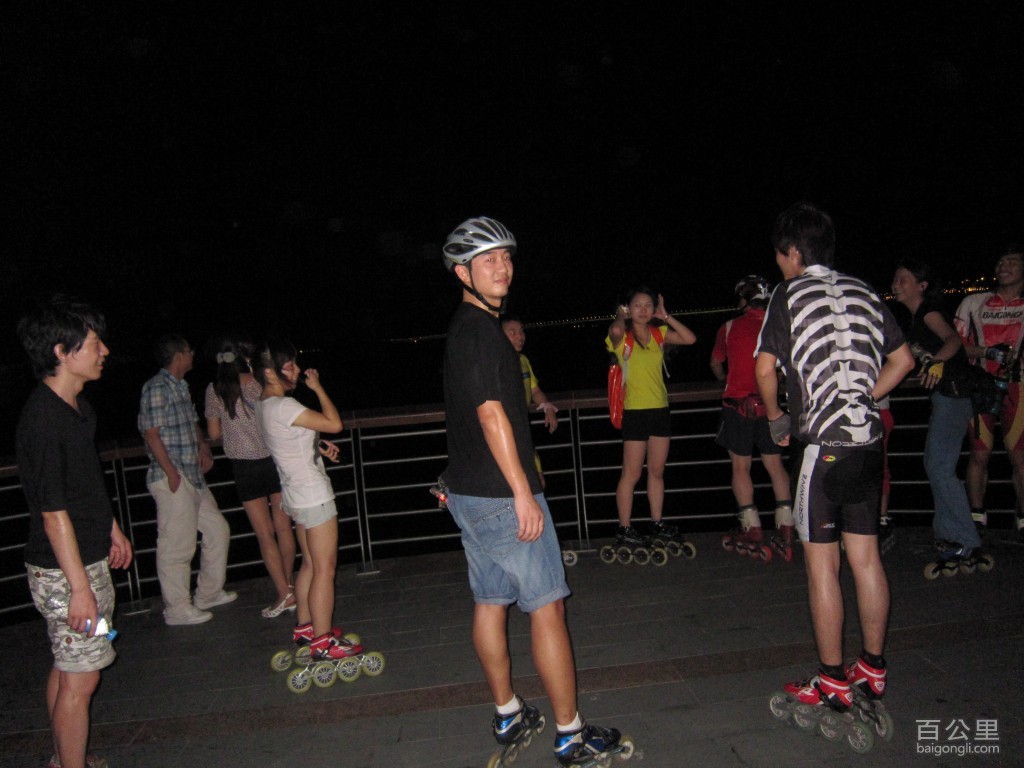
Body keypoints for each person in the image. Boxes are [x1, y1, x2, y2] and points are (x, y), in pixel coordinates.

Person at [440, 216, 626, 766]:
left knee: (490, 600)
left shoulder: (466, 329)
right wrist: (522, 491)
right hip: (503, 497)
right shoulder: (482, 333)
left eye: (506, 257)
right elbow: (491, 414)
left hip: (470, 494)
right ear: (462, 272)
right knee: (547, 607)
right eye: (487, 259)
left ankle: (508, 712)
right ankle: (571, 733)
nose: (502, 267)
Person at [754, 203, 914, 714]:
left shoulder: (788, 294)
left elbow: (764, 370)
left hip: (821, 447)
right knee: (866, 559)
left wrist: (777, 419)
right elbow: (903, 360)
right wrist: (864, 398)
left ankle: (830, 680)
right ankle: (872, 667)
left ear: (792, 253)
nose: (779, 264)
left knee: (822, 566)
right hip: (867, 443)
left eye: (780, 255)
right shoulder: (865, 290)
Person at [16, 296, 133, 768]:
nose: (104, 351)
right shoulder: (44, 421)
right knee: (83, 678)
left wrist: (112, 528)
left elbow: (84, 485)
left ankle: (64, 758)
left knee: (70, 668)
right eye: (94, 343)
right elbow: (53, 512)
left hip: (86, 558)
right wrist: (80, 589)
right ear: (62, 352)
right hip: (65, 572)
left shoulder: (77, 408)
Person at [252, 338, 354, 661]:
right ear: (270, 372)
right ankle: (323, 642)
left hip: (294, 495)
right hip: (313, 495)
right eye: (289, 365)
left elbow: (288, 440)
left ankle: (306, 628)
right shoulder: (286, 406)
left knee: (309, 563)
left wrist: (317, 447)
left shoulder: (264, 405)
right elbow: (335, 423)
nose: (296, 370)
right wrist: (318, 388)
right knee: (325, 569)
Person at [139, 334, 234, 626]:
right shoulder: (156, 387)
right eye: (189, 350)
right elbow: (151, 433)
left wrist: (203, 446)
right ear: (179, 354)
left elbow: (191, 422)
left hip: (192, 476)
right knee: (177, 546)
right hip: (173, 477)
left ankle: (208, 594)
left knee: (217, 530)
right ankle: (177, 609)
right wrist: (170, 472)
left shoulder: (180, 386)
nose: (193, 354)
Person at [891, 259, 981, 565]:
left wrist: (936, 362)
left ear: (922, 285)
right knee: (936, 464)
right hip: (947, 397)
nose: (896, 284)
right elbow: (962, 347)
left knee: (939, 466)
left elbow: (952, 339)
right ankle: (948, 533)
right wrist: (987, 352)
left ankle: (965, 539)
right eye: (895, 279)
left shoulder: (928, 312)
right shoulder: (916, 319)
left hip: (953, 395)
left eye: (903, 279)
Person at [205, 336, 296, 618]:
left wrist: (234, 430)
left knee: (264, 535)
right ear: (247, 359)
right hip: (274, 460)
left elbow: (214, 434)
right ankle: (290, 585)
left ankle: (284, 593)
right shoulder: (261, 384)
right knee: (284, 528)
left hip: (244, 468)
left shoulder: (215, 390)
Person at [710, 275, 795, 560]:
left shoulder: (729, 327)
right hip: (770, 405)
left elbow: (716, 363)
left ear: (744, 300)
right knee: (775, 465)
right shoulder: (778, 326)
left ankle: (752, 527)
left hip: (737, 407)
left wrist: (725, 379)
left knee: (740, 468)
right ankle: (785, 525)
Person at [606, 286, 696, 550]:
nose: (643, 310)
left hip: (659, 410)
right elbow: (615, 331)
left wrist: (666, 316)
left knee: (657, 472)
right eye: (637, 305)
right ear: (628, 308)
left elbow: (690, 339)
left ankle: (657, 523)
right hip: (634, 412)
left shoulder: (659, 333)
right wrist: (620, 315)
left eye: (648, 305)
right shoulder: (624, 337)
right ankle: (624, 527)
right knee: (631, 473)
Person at [954, 245, 1024, 540]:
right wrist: (986, 352)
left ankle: (1022, 520)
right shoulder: (974, 302)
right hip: (981, 385)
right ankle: (977, 517)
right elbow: (955, 346)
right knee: (979, 453)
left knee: (1020, 456)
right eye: (1000, 261)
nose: (1003, 266)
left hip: (1018, 386)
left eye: (1012, 261)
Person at [501, 314, 558, 489]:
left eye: (521, 332)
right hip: (504, 433)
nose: (520, 336)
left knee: (537, 482)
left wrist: (548, 407)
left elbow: (535, 390)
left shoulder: (523, 361)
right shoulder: (495, 365)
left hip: (523, 429)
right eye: (513, 332)